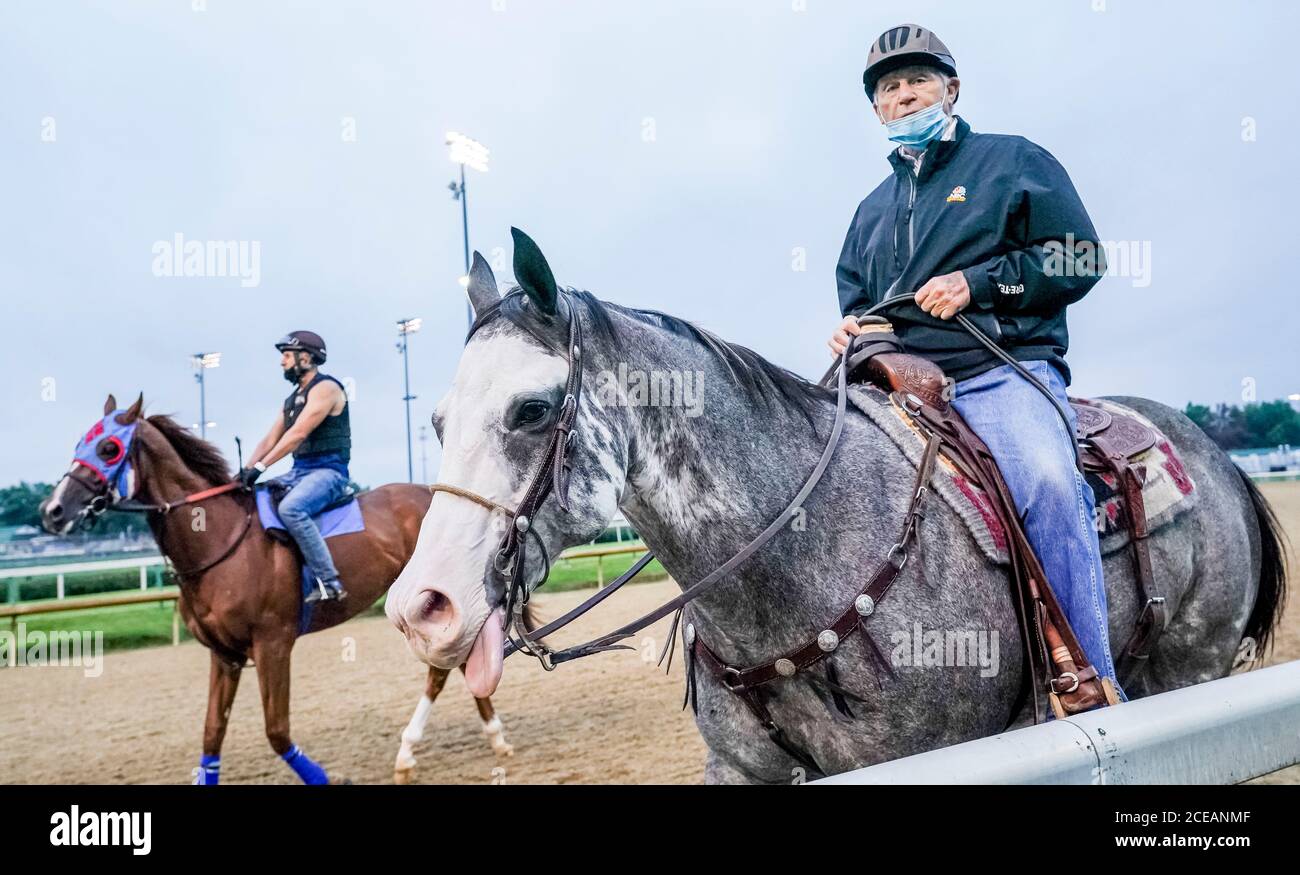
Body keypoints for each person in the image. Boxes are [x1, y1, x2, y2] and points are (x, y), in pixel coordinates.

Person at [830, 24, 1124, 700]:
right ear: (876, 109)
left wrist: (980, 283)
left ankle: (1092, 678)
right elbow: (859, 303)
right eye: (889, 88)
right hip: (899, 392)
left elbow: (1083, 258)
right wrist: (853, 330)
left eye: (917, 81)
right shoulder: (866, 215)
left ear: (951, 89)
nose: (904, 96)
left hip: (999, 370)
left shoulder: (1013, 160)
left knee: (1049, 481)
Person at [237, 331, 352, 604]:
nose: (282, 362)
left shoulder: (327, 389)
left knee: (292, 508)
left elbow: (298, 434)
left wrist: (262, 466)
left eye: (287, 356)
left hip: (329, 473)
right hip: (298, 472)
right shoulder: (290, 400)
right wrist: (246, 469)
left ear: (307, 357)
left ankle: (329, 581)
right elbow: (270, 438)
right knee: (255, 500)